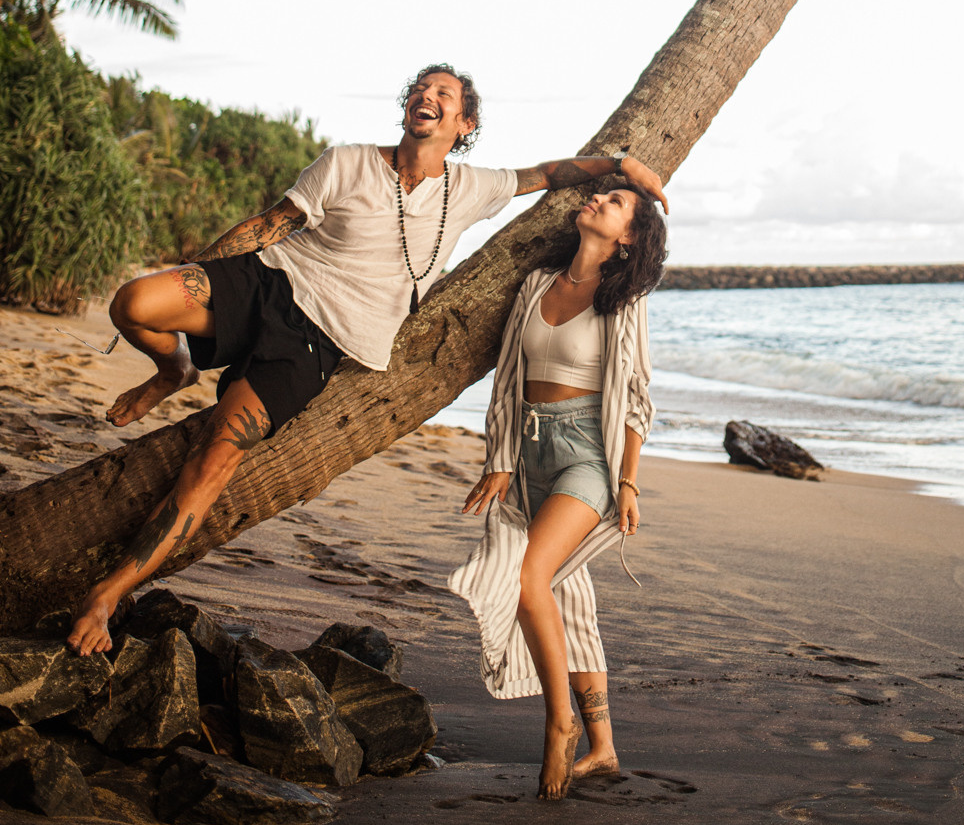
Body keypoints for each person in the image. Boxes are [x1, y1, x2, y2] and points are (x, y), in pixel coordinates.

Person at [67, 63, 666, 656]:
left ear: (464, 122)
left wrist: (620, 166)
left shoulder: (472, 189)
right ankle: (174, 368)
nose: (426, 96)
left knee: (213, 463)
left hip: (317, 342)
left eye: (444, 94)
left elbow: (546, 173)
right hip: (268, 281)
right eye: (420, 88)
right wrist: (201, 271)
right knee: (135, 302)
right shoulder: (346, 161)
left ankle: (108, 594)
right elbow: (270, 226)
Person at [450, 176, 668, 800]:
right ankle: (603, 748)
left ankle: (559, 723)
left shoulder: (623, 300)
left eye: (616, 202)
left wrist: (627, 481)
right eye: (599, 194)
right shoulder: (535, 286)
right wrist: (500, 459)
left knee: (529, 580)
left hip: (585, 460)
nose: (598, 200)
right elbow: (507, 380)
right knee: (567, 597)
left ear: (628, 238)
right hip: (529, 458)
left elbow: (635, 399)